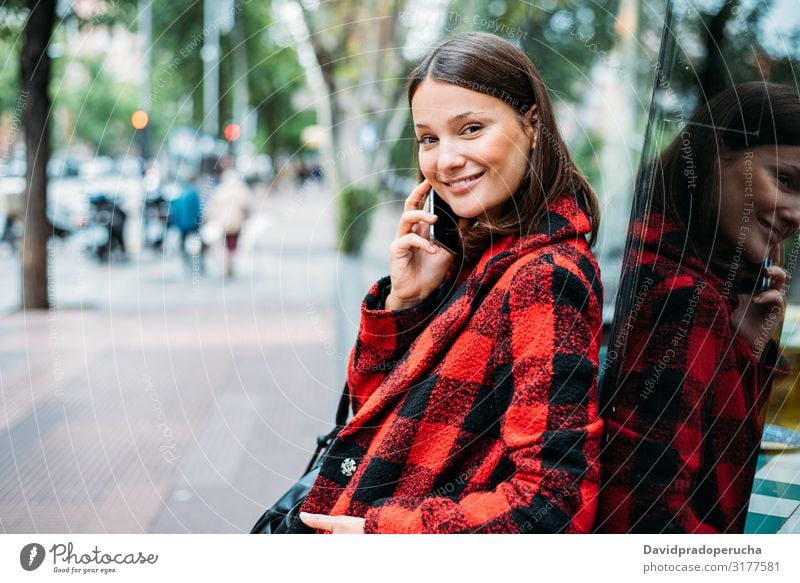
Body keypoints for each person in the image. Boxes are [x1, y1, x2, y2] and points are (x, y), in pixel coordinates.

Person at [294, 32, 604, 534]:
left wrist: (387, 537)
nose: (445, 160)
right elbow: (376, 420)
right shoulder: (479, 256)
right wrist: (406, 302)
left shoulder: (543, 276)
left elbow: (552, 506)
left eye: (472, 128)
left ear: (532, 125)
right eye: (429, 138)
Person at [595, 82, 800, 533]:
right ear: (718, 151)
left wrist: (746, 345)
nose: (795, 213)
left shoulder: (664, 263)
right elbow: (645, 520)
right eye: (784, 180)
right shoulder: (685, 296)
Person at [204, 161, 251, 278]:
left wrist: (209, 219)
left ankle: (228, 263)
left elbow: (212, 207)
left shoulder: (220, 190)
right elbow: (247, 206)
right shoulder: (242, 190)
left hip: (223, 222)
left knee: (226, 242)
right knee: (233, 243)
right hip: (237, 223)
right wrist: (247, 218)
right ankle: (230, 263)